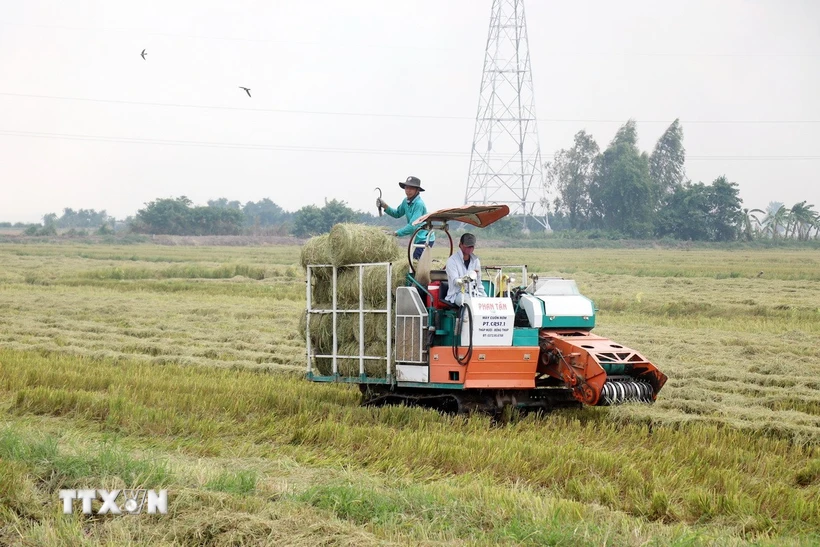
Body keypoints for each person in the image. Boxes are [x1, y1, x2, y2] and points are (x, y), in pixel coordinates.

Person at [377, 176, 435, 260]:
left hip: (425, 237)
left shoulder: (419, 204)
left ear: (417, 190)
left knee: (415, 261)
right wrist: (384, 206)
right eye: (406, 188)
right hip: (416, 237)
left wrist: (396, 233)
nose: (408, 191)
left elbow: (412, 226)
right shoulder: (406, 201)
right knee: (412, 260)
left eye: (411, 188)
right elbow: (397, 213)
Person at [444, 232, 486, 306]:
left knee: (487, 304)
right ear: (460, 245)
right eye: (467, 246)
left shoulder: (476, 261)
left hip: (474, 293)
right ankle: (466, 317)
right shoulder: (452, 260)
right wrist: (469, 276)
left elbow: (479, 282)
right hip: (458, 294)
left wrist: (484, 296)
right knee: (470, 305)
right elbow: (456, 281)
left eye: (471, 247)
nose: (469, 249)